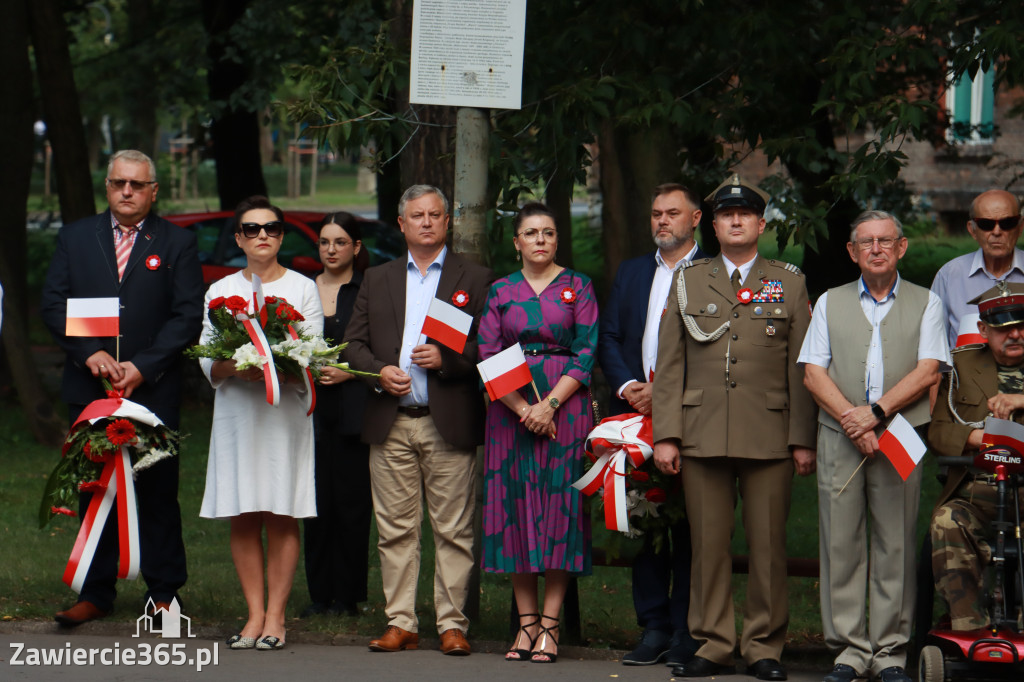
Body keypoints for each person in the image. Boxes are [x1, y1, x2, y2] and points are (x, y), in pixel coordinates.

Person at [652, 174, 817, 681]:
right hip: (702, 431)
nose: (737, 221)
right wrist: (667, 433)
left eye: (746, 214)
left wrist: (802, 438)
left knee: (768, 546)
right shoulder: (689, 279)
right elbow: (671, 363)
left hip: (769, 434)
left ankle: (764, 647)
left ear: (762, 224)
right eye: (727, 215)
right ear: (714, 225)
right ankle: (713, 643)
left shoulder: (789, 281)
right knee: (709, 545)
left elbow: (801, 366)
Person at [40, 149, 204, 625]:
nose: (127, 192)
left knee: (156, 492)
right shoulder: (75, 237)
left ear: (154, 191)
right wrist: (88, 352)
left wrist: (143, 366)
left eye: (137, 184)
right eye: (118, 183)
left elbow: (187, 315)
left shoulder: (177, 243)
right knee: (95, 491)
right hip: (90, 388)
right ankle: (94, 593)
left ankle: (164, 594)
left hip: (151, 390)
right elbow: (54, 304)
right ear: (107, 187)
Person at [799, 210, 949, 682]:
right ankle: (847, 650)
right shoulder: (828, 301)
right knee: (840, 542)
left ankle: (889, 652)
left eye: (886, 241)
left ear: (902, 247)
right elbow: (812, 372)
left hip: (900, 434)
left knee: (896, 542)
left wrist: (876, 414)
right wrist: (854, 419)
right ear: (852, 252)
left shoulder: (928, 303)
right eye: (867, 242)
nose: (877, 249)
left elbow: (929, 370)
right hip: (840, 434)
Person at [343, 185, 492, 656]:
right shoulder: (379, 277)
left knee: (453, 529)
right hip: (391, 420)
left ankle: (452, 624)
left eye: (434, 215)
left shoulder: (477, 277)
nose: (426, 222)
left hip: (446, 418)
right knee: (396, 530)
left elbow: (489, 351)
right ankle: (401, 622)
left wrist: (448, 359)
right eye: (416, 216)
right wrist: (378, 374)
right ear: (402, 225)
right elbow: (352, 344)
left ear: (447, 222)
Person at [198, 195, 323, 651]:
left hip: (283, 411)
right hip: (237, 411)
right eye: (251, 229)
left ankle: (277, 617)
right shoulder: (219, 290)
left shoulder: (303, 288)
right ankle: (253, 614)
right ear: (239, 238)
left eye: (271, 227)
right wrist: (236, 367)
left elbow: (312, 349)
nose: (262, 235)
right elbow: (207, 353)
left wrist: (275, 365)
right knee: (244, 509)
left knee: (281, 508)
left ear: (282, 235)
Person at [478, 202, 598, 664]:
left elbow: (586, 351)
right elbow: (487, 353)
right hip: (510, 410)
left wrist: (548, 405)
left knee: (559, 509)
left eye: (548, 232)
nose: (541, 240)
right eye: (531, 233)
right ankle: (525, 625)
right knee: (515, 508)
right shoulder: (501, 291)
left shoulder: (578, 286)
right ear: (517, 242)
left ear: (556, 239)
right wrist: (523, 407)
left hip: (563, 411)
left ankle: (551, 626)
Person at [598, 183, 704, 666]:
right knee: (644, 518)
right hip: (635, 414)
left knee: (692, 527)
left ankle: (687, 629)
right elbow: (612, 336)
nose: (662, 221)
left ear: (696, 218)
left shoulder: (714, 273)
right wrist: (628, 389)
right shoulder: (633, 271)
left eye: (673, 213)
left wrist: (665, 397)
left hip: (698, 418)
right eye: (656, 213)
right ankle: (654, 627)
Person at [929, 283, 1024, 631]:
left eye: (1022, 324)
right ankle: (970, 628)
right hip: (979, 489)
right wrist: (977, 438)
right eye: (1003, 327)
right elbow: (937, 430)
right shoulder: (961, 366)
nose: (1015, 333)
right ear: (984, 329)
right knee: (946, 521)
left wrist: (1019, 400)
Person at [301, 212, 371, 617]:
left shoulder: (367, 288)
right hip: (307, 406)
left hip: (353, 404)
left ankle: (348, 597)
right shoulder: (303, 290)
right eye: (324, 242)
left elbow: (382, 343)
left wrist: (350, 372)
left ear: (356, 247)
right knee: (314, 501)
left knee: (351, 502)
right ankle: (318, 595)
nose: (331, 249)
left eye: (340, 242)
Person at [931, 190, 1024, 348]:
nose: (996, 232)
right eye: (986, 224)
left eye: (1007, 223)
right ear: (972, 230)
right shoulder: (949, 275)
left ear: (1020, 227)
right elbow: (934, 345)